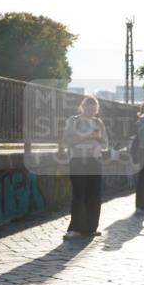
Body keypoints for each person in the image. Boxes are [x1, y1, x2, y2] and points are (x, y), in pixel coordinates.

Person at [62, 96, 108, 239]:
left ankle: (90, 228)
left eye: (94, 110)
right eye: (89, 109)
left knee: (94, 195)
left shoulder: (98, 122)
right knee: (79, 194)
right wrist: (86, 136)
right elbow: (66, 141)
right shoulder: (73, 121)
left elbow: (105, 143)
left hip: (95, 160)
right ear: (82, 107)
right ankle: (74, 229)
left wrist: (97, 138)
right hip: (78, 160)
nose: (92, 113)